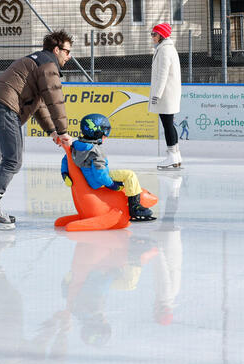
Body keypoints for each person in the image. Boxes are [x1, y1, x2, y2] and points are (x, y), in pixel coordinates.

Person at [0, 30, 74, 229]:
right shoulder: (48, 64)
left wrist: (52, 131)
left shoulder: (33, 61)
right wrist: (63, 131)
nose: (69, 56)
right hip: (5, 108)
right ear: (57, 50)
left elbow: (38, 104)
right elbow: (54, 98)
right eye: (67, 51)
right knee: (13, 160)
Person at [61, 113, 155, 221]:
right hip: (96, 181)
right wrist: (112, 185)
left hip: (87, 177)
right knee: (129, 175)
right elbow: (100, 174)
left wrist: (65, 174)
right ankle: (135, 207)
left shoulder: (76, 145)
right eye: (105, 132)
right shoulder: (96, 151)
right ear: (96, 132)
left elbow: (66, 159)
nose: (106, 136)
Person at [149, 23, 183, 170]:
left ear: (161, 36)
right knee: (169, 124)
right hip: (168, 93)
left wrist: (157, 94)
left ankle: (172, 155)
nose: (152, 37)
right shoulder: (166, 48)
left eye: (154, 34)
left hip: (166, 94)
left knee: (167, 124)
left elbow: (163, 75)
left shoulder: (165, 50)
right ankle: (175, 154)